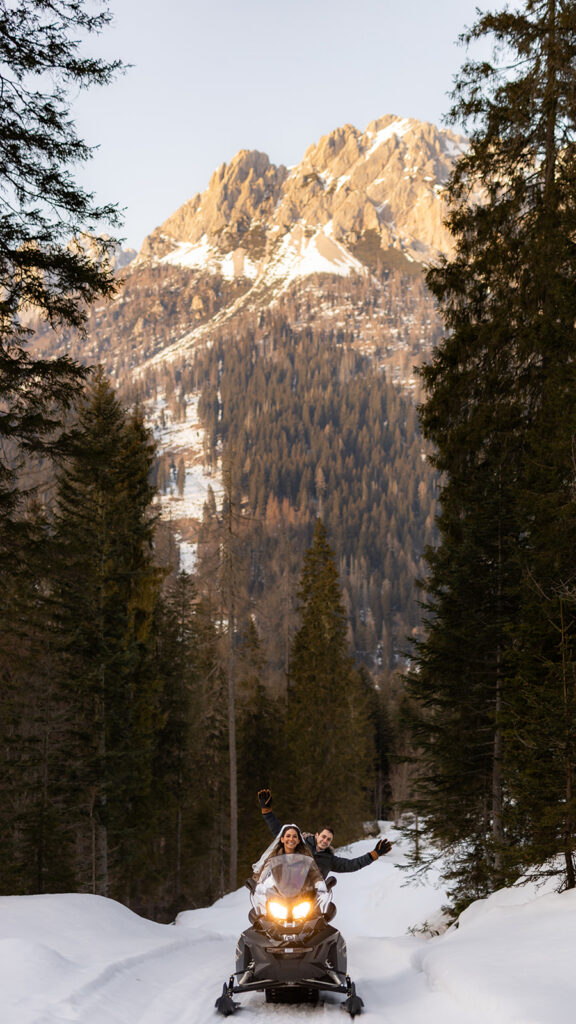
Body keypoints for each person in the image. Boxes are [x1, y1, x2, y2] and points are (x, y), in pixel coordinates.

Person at [257, 788, 392, 879]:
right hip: (286, 892)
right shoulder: (300, 844)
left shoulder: (329, 859)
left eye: (329, 839)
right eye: (323, 837)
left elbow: (351, 865)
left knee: (324, 918)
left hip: (309, 901)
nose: (325, 840)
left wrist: (373, 855)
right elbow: (279, 833)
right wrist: (267, 811)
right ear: (316, 835)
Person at [252, 822, 331, 915]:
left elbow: (314, 873)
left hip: (303, 898)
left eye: (294, 836)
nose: (291, 839)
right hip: (279, 899)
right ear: (282, 839)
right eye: (288, 836)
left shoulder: (306, 858)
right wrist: (260, 885)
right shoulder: (273, 859)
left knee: (320, 919)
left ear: (298, 840)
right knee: (259, 918)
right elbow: (264, 873)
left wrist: (319, 883)